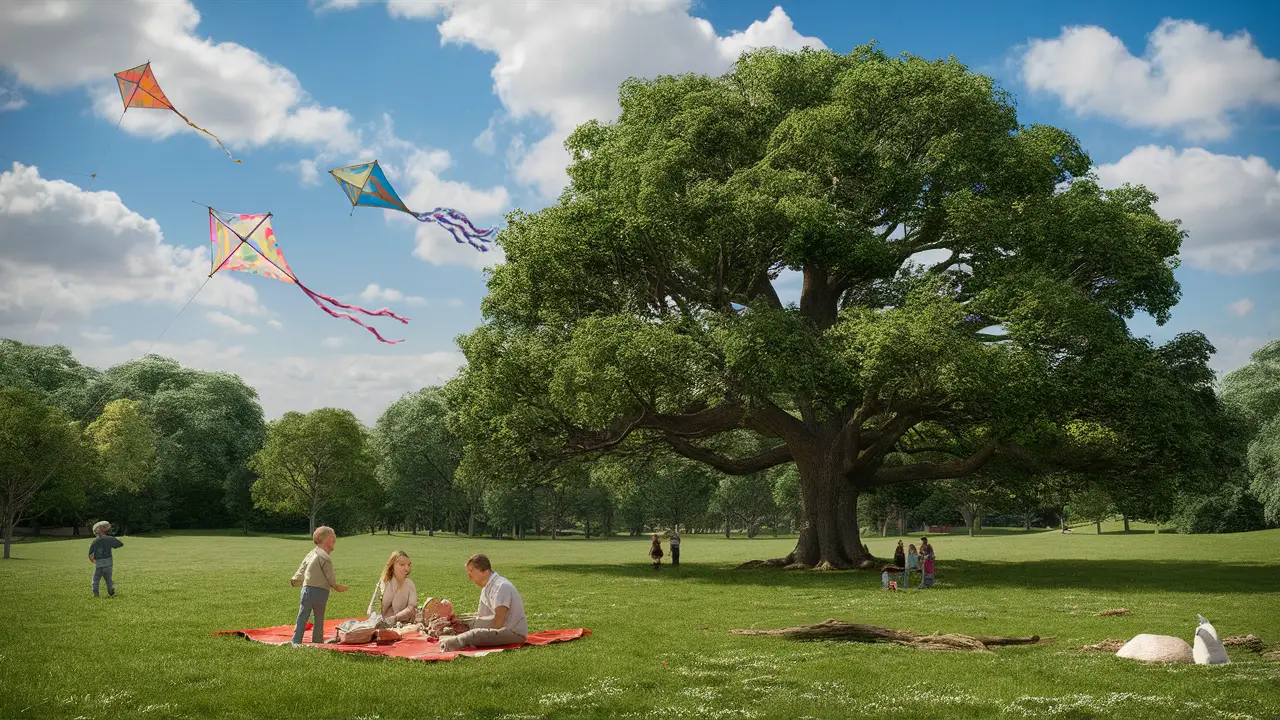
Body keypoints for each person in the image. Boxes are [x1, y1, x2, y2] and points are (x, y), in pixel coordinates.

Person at [438, 554, 528, 652]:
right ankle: (448, 634)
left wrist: (481, 633)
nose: (469, 576)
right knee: (465, 621)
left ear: (485, 572)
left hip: (513, 632)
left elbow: (499, 622)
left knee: (475, 634)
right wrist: (463, 622)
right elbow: (482, 616)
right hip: (499, 626)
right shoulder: (486, 588)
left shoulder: (502, 586)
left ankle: (448, 644)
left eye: (471, 571)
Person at [289, 526, 348, 646]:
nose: (335, 539)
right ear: (323, 540)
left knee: (303, 615)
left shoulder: (312, 553)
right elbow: (330, 575)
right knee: (318, 617)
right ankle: (315, 640)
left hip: (308, 589)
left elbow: (302, 567)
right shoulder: (325, 558)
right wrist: (335, 586)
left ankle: (298, 640)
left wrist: (296, 578)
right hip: (320, 591)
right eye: (332, 537)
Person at [368, 550, 417, 624]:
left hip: (403, 626)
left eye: (409, 565)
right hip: (381, 626)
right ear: (392, 565)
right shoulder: (383, 583)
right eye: (402, 565)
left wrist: (396, 618)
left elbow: (412, 608)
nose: (407, 569)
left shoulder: (410, 584)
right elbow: (373, 608)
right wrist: (380, 621)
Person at [88, 521, 124, 598]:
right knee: (108, 579)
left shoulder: (96, 540)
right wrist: (117, 540)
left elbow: (91, 554)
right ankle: (111, 592)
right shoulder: (109, 538)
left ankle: (96, 593)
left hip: (99, 564)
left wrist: (93, 561)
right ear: (107, 529)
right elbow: (120, 544)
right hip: (108, 563)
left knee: (96, 579)